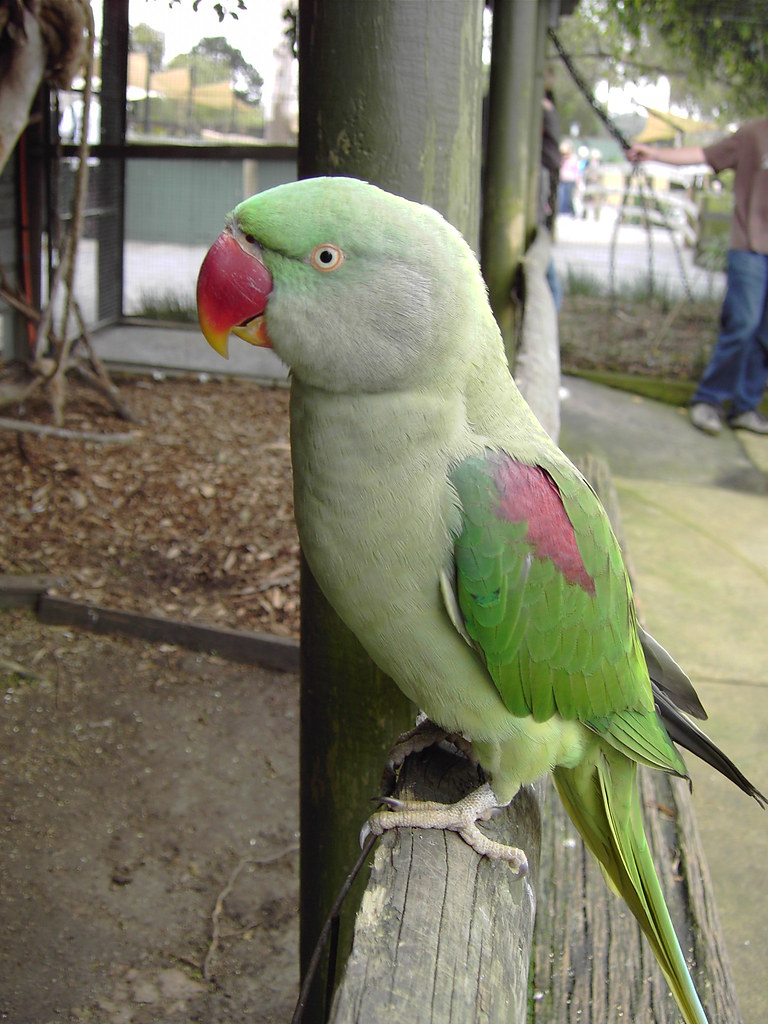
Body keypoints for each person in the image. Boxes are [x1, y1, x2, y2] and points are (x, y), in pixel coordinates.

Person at [629, 122, 768, 436]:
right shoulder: (754, 135)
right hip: (750, 247)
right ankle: (709, 399)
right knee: (743, 324)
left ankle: (745, 406)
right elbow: (704, 154)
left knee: (765, 334)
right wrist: (655, 154)